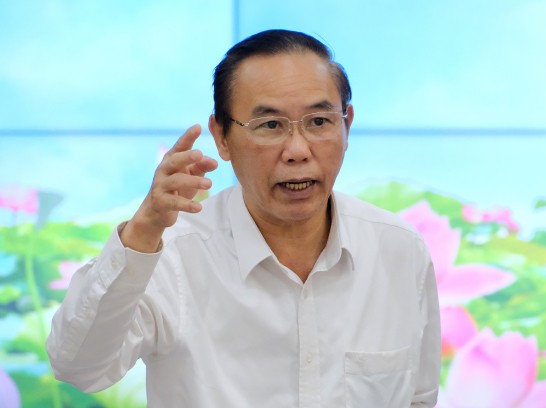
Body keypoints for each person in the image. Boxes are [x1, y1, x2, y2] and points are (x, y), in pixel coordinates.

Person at [46, 29, 441, 407]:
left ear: (346, 125)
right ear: (222, 137)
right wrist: (143, 230)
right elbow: (78, 365)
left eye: (319, 122)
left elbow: (418, 397)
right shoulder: (174, 257)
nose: (297, 150)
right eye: (270, 125)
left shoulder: (399, 250)